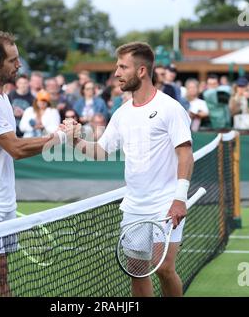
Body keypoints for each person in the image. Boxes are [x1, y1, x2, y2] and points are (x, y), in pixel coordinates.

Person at [71, 42, 193, 297]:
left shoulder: (170, 108)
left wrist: (179, 199)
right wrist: (74, 140)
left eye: (122, 67)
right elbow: (101, 151)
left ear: (141, 71)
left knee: (164, 268)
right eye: (117, 67)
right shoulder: (122, 113)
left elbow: (185, 154)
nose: (116, 73)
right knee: (136, 271)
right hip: (134, 206)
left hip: (166, 203)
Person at [0, 31, 71, 297]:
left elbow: (13, 147)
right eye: (12, 60)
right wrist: (61, 137)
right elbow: (16, 149)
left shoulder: (2, 97)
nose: (18, 65)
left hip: (3, 197)